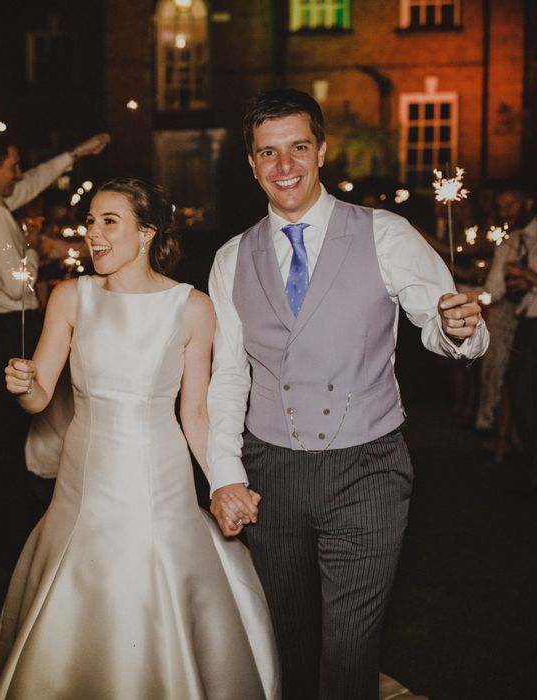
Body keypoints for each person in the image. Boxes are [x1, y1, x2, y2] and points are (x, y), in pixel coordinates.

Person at [207, 88, 489, 699]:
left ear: (322, 151)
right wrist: (225, 474)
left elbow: (441, 320)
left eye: (299, 148)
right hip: (272, 474)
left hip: (368, 468)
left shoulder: (384, 233)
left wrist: (459, 328)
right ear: (251, 164)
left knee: (350, 646)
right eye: (269, 153)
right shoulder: (232, 258)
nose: (285, 166)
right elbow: (229, 374)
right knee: (291, 642)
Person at [0, 178, 280, 699]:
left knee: (152, 589)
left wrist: (223, 483)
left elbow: (195, 412)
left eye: (110, 221)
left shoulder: (192, 307)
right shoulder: (69, 297)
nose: (94, 235)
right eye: (90, 222)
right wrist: (24, 384)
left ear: (146, 232)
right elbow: (39, 398)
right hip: (83, 473)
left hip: (158, 473)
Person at [0, 128, 110, 568]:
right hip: (5, 329)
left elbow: (29, 186)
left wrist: (73, 151)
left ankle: (4, 536)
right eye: (11, 165)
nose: (19, 173)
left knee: (1, 439)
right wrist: (31, 248)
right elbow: (16, 285)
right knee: (6, 441)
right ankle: (7, 541)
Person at [483, 180, 537, 489]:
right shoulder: (510, 242)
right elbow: (494, 289)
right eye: (501, 207)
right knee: (519, 395)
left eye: (511, 205)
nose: (506, 212)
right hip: (527, 327)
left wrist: (528, 276)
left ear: (528, 203)